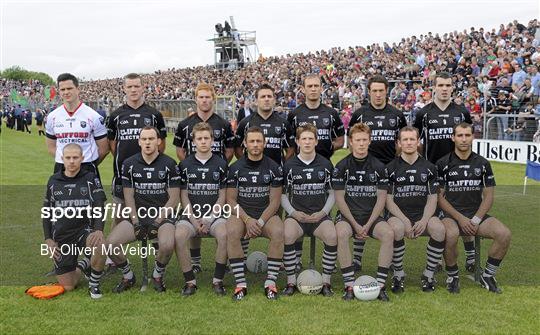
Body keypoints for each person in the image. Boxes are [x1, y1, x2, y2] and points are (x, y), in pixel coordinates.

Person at [437, 123, 511, 294]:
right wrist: (460, 218)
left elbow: (489, 196)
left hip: (475, 213)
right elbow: (439, 197)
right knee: (451, 234)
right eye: (460, 135)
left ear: (473, 137)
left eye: (467, 135)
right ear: (453, 138)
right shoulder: (443, 163)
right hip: (451, 214)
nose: (464, 139)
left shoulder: (483, 163)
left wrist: (476, 218)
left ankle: (488, 275)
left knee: (504, 234)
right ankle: (453, 276)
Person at [413, 72, 476, 271]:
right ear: (434, 87)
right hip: (434, 172)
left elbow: (465, 140)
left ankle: (471, 255)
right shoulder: (423, 114)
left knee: (465, 210)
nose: (444, 89)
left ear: (452, 87)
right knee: (439, 214)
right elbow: (418, 143)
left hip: (458, 171)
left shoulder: (461, 112)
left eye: (448, 85)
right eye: (440, 85)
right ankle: (439, 257)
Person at [105, 126, 180, 293]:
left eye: (151, 139)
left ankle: (157, 274)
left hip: (162, 216)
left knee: (167, 245)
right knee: (110, 244)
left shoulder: (169, 164)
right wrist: (136, 222)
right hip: (137, 215)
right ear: (139, 142)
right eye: (144, 139)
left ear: (159, 141)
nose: (147, 142)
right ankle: (128, 276)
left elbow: (174, 198)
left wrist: (158, 221)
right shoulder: (129, 164)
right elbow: (129, 197)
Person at [347, 74, 407, 272]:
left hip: (389, 172)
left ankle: (390, 262)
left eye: (382, 90)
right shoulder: (360, 114)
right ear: (369, 92)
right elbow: (352, 142)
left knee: (391, 215)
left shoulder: (397, 115)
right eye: (375, 91)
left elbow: (400, 143)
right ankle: (357, 259)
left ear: (387, 92)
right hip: (364, 172)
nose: (378, 94)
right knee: (362, 212)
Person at [173, 83, 235, 273]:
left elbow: (230, 151)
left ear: (213, 99)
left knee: (218, 221)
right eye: (201, 97)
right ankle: (196, 261)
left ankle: (221, 267)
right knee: (194, 207)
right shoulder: (185, 124)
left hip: (216, 173)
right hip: (193, 172)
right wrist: (194, 166)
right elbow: (180, 150)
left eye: (208, 97)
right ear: (196, 99)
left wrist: (214, 167)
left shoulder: (223, 124)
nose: (204, 100)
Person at [286, 74, 344, 269]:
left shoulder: (331, 113)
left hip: (322, 166)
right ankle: (297, 260)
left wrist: (327, 149)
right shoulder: (294, 114)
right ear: (303, 88)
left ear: (321, 89)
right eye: (309, 86)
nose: (312, 89)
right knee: (299, 203)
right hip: (299, 165)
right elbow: (290, 144)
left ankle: (328, 262)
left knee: (322, 201)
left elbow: (340, 139)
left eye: (316, 86)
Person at [333, 123, 394, 301]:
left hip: (372, 217)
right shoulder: (342, 166)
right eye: (357, 140)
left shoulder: (379, 166)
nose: (361, 144)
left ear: (370, 141)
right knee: (341, 232)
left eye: (364, 140)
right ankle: (349, 285)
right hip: (348, 216)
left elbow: (382, 199)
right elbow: (339, 199)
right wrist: (355, 224)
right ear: (350, 142)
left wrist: (367, 224)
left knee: (388, 233)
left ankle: (381, 285)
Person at [226, 126, 284, 300]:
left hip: (265, 215)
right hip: (242, 215)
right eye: (252, 141)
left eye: (259, 141)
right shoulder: (235, 168)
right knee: (232, 231)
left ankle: (270, 283)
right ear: (245, 143)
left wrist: (259, 222)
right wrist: (247, 220)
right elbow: (230, 201)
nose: (255, 144)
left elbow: (275, 202)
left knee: (279, 231)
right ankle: (240, 284)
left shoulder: (274, 167)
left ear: (265, 143)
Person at [42, 143, 107, 299]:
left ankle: (94, 283)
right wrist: (48, 239)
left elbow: (99, 205)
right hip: (62, 237)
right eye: (68, 158)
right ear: (62, 159)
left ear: (82, 158)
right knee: (69, 286)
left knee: (101, 245)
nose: (71, 161)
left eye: (75, 158)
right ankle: (84, 264)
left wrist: (98, 230)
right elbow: (47, 212)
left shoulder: (90, 178)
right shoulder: (53, 181)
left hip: (83, 232)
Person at [386, 126, 446, 292]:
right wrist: (405, 220)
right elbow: (388, 200)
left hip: (423, 215)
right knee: (396, 229)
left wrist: (425, 220)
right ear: (399, 143)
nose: (409, 142)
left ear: (418, 141)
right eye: (405, 139)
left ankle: (428, 274)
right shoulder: (390, 168)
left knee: (439, 230)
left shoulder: (429, 167)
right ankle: (398, 274)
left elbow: (433, 198)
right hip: (398, 215)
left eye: (412, 139)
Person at [281, 124, 337, 297]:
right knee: (287, 234)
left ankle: (326, 282)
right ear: (297, 141)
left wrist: (323, 212)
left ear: (316, 141)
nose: (307, 142)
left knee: (332, 236)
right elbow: (282, 195)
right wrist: (293, 213)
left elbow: (333, 193)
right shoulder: (289, 165)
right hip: (297, 216)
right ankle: (291, 281)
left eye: (310, 139)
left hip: (319, 216)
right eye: (303, 138)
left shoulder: (326, 164)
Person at [174, 122, 229, 296]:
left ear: (212, 140)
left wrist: (208, 219)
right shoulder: (184, 165)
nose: (203, 141)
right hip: (191, 215)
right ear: (193, 141)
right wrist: (193, 219)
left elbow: (222, 196)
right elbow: (184, 196)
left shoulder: (221, 164)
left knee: (224, 234)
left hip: (214, 216)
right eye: (199, 138)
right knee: (179, 236)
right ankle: (190, 281)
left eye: (207, 138)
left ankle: (217, 280)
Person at [106, 73, 167, 205]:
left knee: (149, 213)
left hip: (149, 173)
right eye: (130, 86)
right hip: (122, 173)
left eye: (136, 86)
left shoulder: (154, 115)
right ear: (124, 88)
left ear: (143, 88)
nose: (133, 90)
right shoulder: (115, 116)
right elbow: (112, 144)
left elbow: (161, 144)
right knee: (120, 217)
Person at [45, 73, 109, 176]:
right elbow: (51, 147)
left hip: (87, 167)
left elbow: (104, 149)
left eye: (69, 88)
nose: (66, 92)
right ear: (59, 92)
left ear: (78, 89)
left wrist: (91, 163)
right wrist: (67, 162)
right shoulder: (52, 117)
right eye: (62, 89)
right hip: (61, 167)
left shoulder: (93, 116)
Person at [235, 84, 295, 165]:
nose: (266, 99)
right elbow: (238, 149)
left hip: (277, 175)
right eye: (263, 97)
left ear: (274, 100)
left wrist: (282, 167)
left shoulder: (284, 123)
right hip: (252, 173)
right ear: (256, 101)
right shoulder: (245, 123)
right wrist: (247, 166)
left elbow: (291, 149)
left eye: (269, 96)